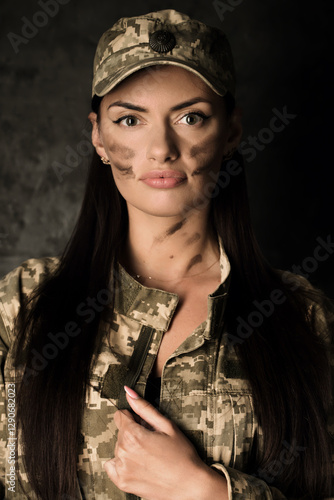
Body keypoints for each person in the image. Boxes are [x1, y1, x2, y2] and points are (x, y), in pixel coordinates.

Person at [0, 9, 333, 500]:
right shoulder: (24, 306)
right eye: (130, 119)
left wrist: (206, 491)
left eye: (190, 117)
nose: (161, 148)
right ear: (98, 136)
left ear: (232, 131)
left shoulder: (302, 319)